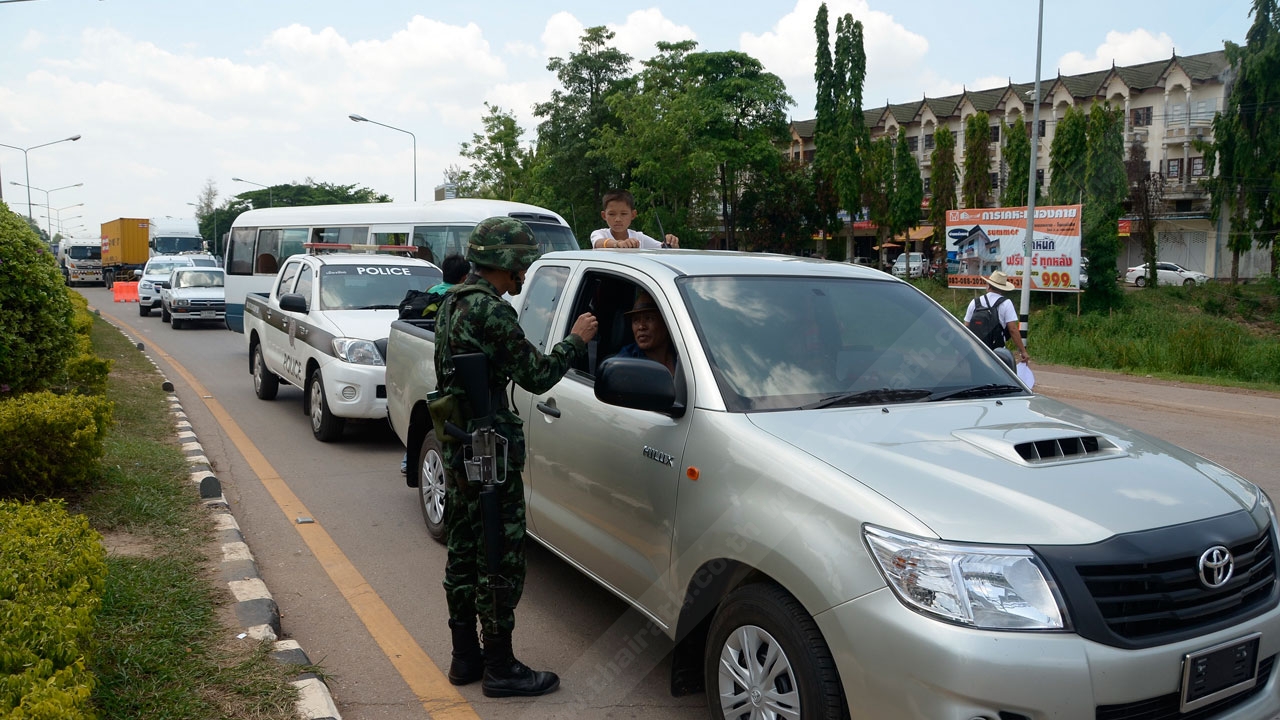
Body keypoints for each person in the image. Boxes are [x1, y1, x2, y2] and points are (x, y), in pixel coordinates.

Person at [433, 217, 598, 698]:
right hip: (489, 448)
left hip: (461, 443)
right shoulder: (490, 312)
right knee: (499, 556)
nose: (524, 274)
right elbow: (537, 374)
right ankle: (501, 668)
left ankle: (466, 657)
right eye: (521, 264)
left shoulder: (451, 303)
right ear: (503, 262)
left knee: (463, 551)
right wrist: (576, 340)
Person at [401, 253, 471, 474]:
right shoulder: (458, 298)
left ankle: (406, 460)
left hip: (426, 357)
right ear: (464, 277)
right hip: (447, 365)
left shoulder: (431, 292)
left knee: (427, 414)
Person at [964, 270, 1030, 364]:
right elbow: (1013, 329)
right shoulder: (1006, 303)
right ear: (1002, 288)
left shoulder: (975, 302)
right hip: (997, 351)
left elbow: (966, 327)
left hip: (976, 349)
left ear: (988, 285)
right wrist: (1023, 351)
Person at [614, 289, 676, 374]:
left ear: (665, 322)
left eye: (649, 318)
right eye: (636, 320)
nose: (641, 326)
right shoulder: (625, 362)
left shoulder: (683, 355)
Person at [590, 190, 679, 249]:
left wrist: (671, 243)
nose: (617, 219)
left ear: (633, 215)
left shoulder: (639, 237)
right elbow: (599, 243)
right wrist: (618, 244)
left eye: (624, 214)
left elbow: (663, 249)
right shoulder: (599, 234)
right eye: (612, 214)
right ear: (604, 215)